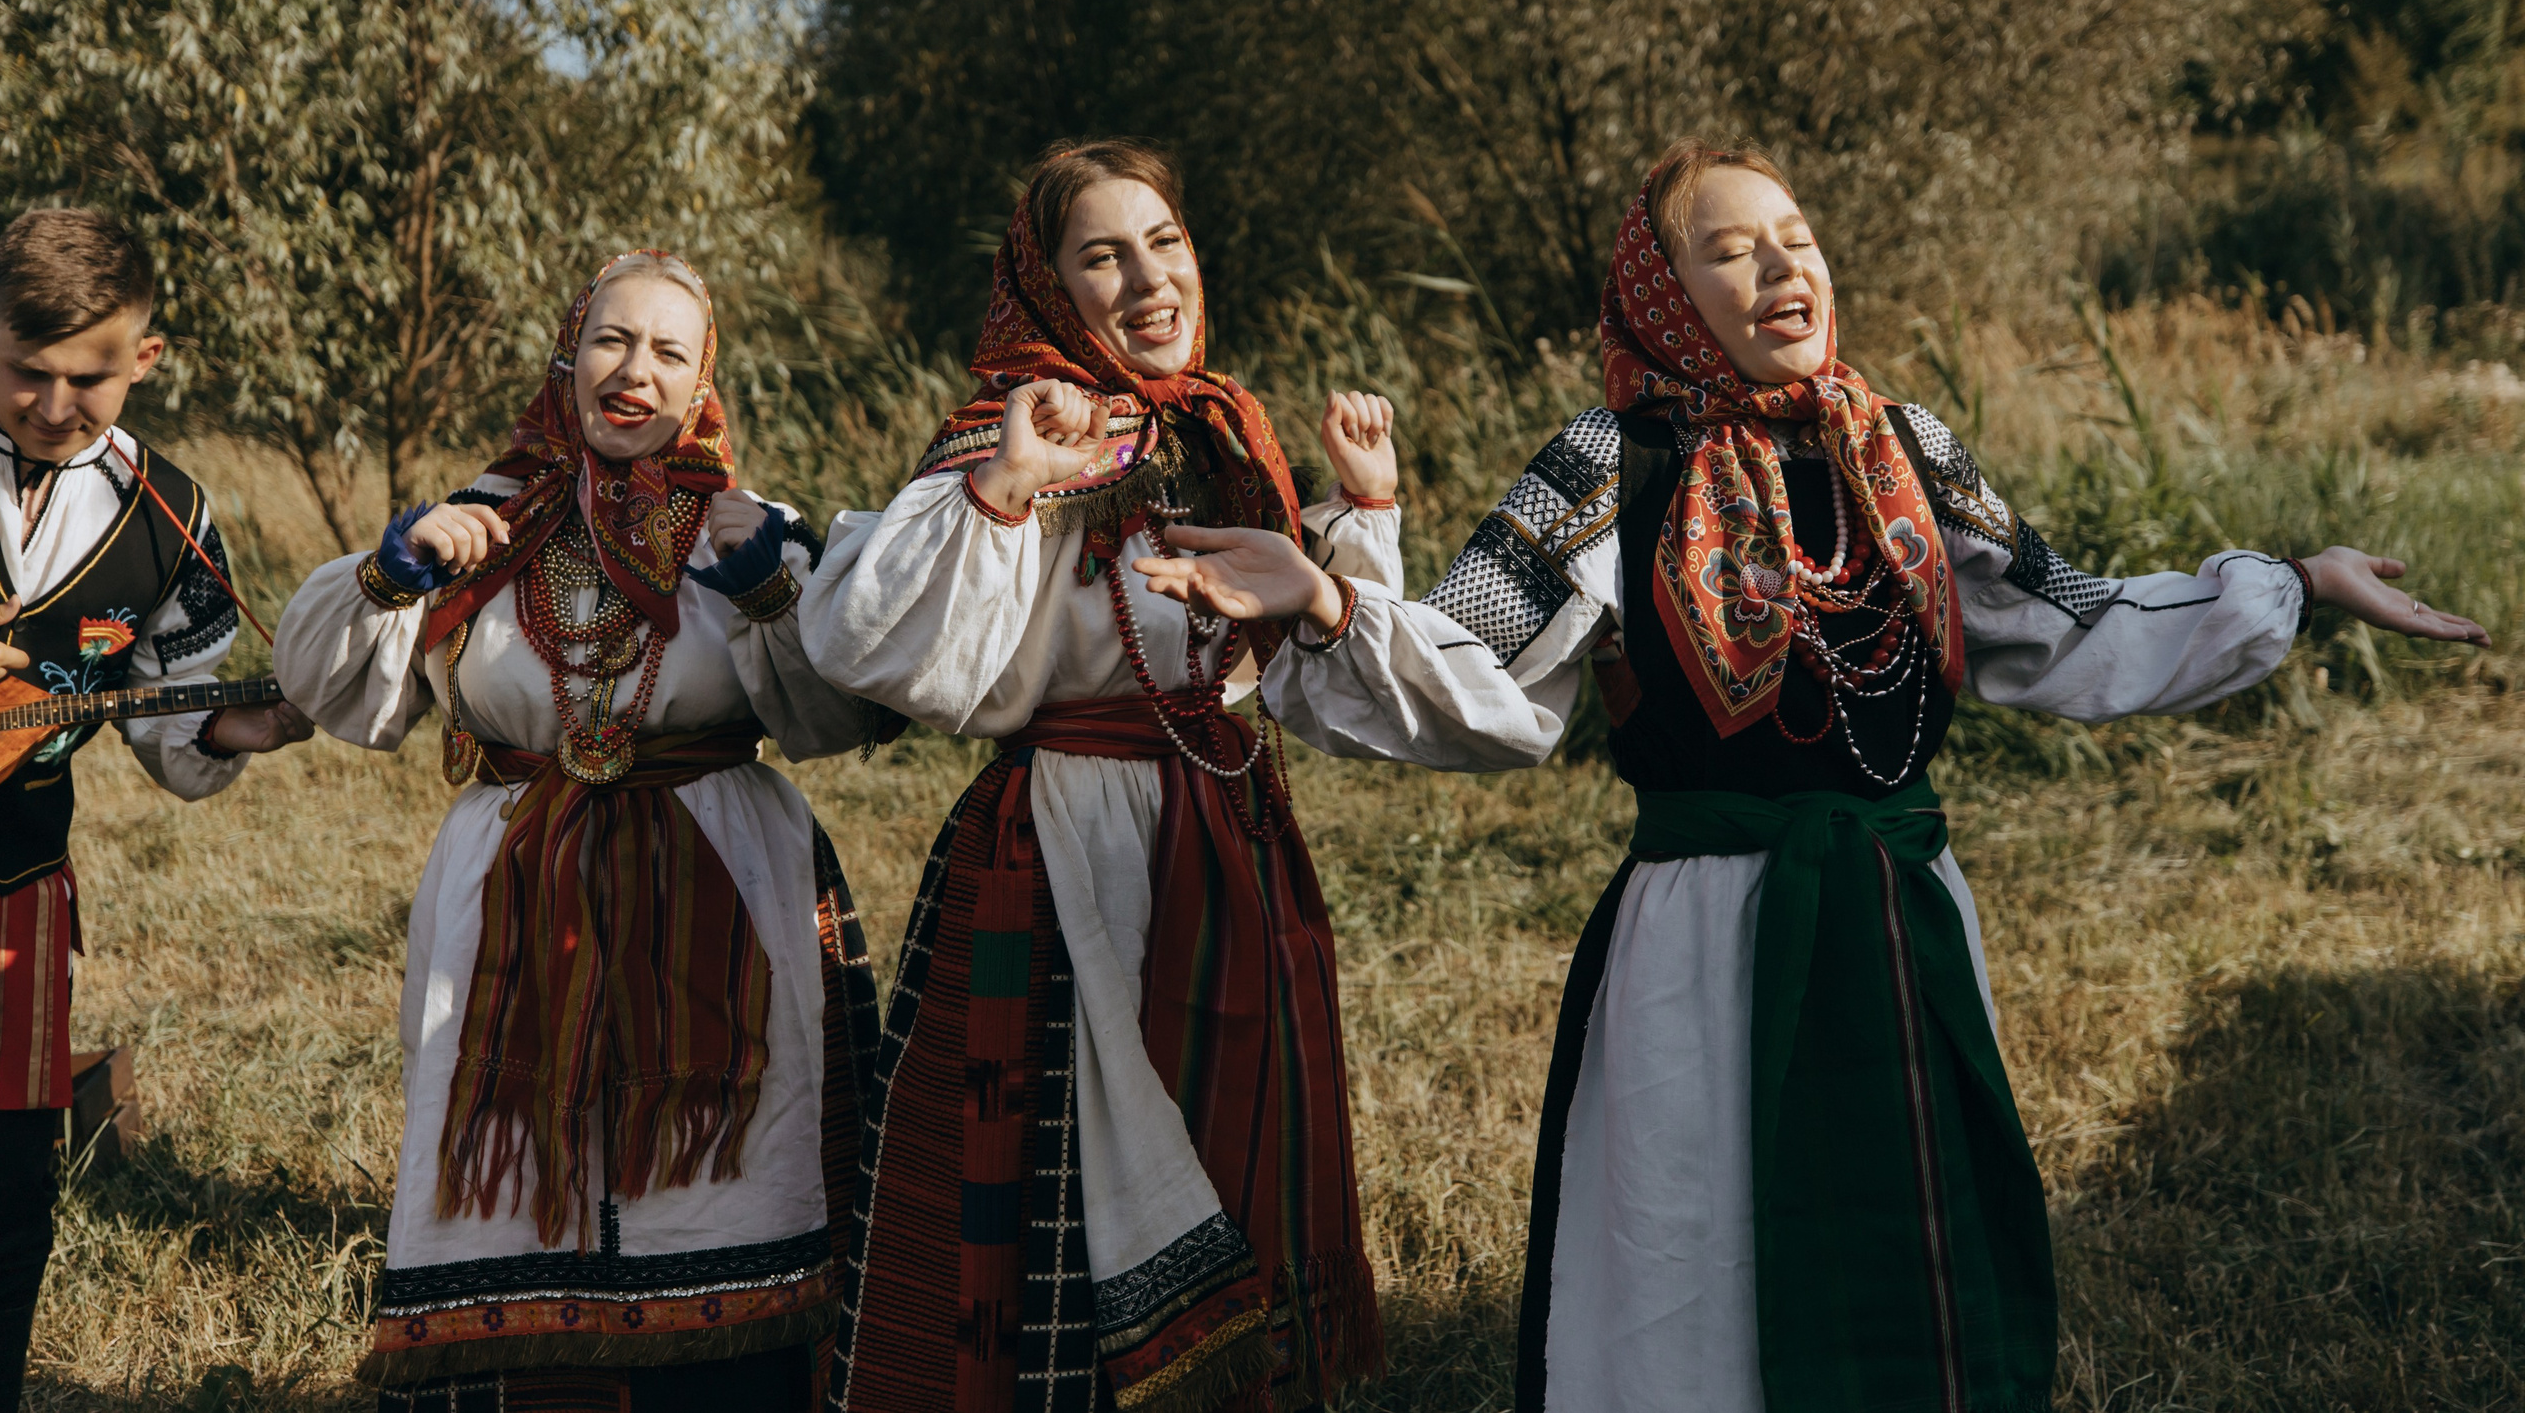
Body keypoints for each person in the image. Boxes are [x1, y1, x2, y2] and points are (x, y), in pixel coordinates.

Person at [1132, 138, 2493, 1413]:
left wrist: (2299, 583)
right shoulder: (1609, 462)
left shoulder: (1906, 447)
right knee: (1693, 1246)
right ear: (1664, 293)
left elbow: (2069, 619)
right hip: (1704, 944)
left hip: (1899, 919)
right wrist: (1327, 602)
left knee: (1913, 1241)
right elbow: (1472, 667)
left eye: (1795, 237)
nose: (1782, 267)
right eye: (1730, 249)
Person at [805, 139, 1398, 1413]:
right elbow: (867, 642)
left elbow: (1293, 651)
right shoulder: (1013, 425)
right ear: (1048, 287)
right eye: (1102, 255)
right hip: (1066, 841)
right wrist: (1010, 487)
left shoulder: (1225, 428)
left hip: (1230, 825)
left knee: (1230, 1121)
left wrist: (1360, 523)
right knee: (1058, 1175)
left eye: (1164, 240)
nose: (1147, 277)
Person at [275, 252, 879, 1412]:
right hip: (512, 885)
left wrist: (766, 590)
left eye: (668, 350)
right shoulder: (482, 521)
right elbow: (334, 688)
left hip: (725, 878)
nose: (634, 369)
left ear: (703, 379)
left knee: (738, 1167)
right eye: (613, 340)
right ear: (570, 352)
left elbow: (841, 711)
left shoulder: (752, 528)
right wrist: (393, 571)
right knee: (516, 1174)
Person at [0, 208, 313, 1413]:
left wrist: (239, 724)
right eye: (27, 373)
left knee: (1, 1210)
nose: (56, 406)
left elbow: (171, 712)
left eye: (91, 377)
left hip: (13, 901)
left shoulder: (166, 513)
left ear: (146, 359)